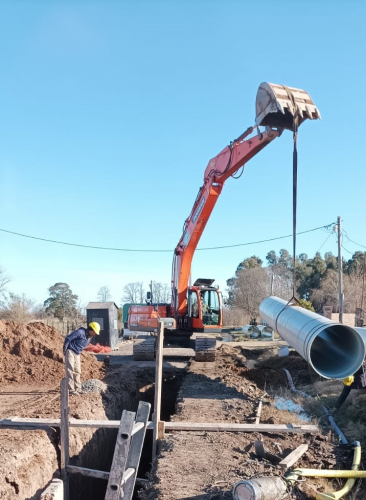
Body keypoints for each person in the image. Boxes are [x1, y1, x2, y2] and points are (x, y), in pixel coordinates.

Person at [63, 322, 100, 395]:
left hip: (77, 354)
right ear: (91, 329)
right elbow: (68, 338)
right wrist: (65, 349)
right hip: (70, 351)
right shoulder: (80, 332)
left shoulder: (89, 337)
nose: (94, 334)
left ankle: (78, 388)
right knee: (70, 370)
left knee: (77, 371)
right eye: (94, 332)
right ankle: (71, 389)